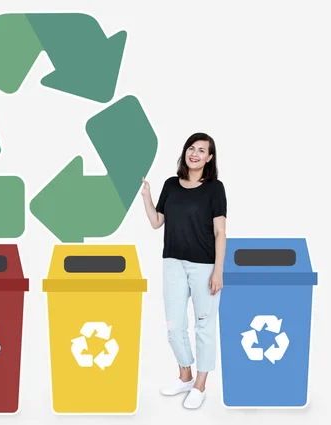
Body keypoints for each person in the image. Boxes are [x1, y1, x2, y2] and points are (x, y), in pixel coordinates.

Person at [141, 132, 227, 409]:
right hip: (173, 264)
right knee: (174, 326)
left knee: (204, 326)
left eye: (202, 150)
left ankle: (200, 385)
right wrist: (147, 196)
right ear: (185, 152)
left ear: (209, 158)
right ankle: (185, 375)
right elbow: (157, 222)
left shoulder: (215, 188)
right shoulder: (171, 185)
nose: (195, 153)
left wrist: (218, 271)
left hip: (204, 266)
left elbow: (220, 232)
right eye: (192, 148)